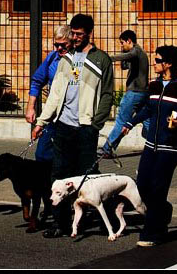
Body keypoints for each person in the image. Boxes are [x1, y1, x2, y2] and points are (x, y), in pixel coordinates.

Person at [31, 13, 114, 238]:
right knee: (59, 176)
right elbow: (55, 94)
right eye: (73, 34)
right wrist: (42, 121)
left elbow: (107, 94)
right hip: (63, 126)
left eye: (78, 34)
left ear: (89, 33)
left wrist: (96, 123)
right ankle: (60, 223)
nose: (75, 38)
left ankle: (89, 218)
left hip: (86, 128)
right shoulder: (66, 59)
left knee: (85, 176)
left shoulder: (101, 60)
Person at [120, 44, 177, 247]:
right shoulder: (154, 85)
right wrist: (129, 124)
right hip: (151, 144)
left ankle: (152, 233)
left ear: (168, 64)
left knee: (158, 189)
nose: (154, 64)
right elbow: (148, 110)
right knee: (143, 186)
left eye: (157, 61)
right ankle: (164, 211)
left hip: (170, 146)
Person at [99, 30, 150, 157]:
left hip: (134, 94)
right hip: (143, 93)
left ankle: (107, 149)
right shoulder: (138, 54)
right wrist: (123, 52)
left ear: (129, 41)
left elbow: (127, 56)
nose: (121, 46)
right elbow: (124, 66)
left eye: (122, 43)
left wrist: (108, 58)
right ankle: (155, 144)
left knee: (121, 121)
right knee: (147, 121)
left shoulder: (136, 51)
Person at [24, 25, 71, 163]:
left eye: (63, 45)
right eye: (56, 45)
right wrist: (30, 107)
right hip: (52, 115)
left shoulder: (76, 62)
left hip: (70, 117)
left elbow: (78, 82)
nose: (59, 49)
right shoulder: (52, 58)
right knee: (42, 154)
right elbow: (37, 81)